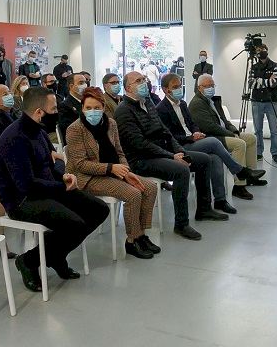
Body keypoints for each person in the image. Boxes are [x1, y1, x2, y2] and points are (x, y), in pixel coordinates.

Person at [0, 87, 108, 291]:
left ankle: (54, 255)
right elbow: (26, 185)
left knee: (99, 209)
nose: (57, 112)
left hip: (46, 190)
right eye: (54, 108)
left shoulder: (38, 131)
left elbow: (52, 163)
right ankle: (29, 261)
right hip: (21, 200)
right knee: (75, 224)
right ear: (39, 112)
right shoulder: (15, 138)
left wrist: (63, 176)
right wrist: (61, 184)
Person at [115, 71, 229, 241]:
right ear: (127, 88)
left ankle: (204, 209)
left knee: (204, 160)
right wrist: (171, 156)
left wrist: (179, 151)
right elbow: (140, 144)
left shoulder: (148, 103)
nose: (144, 83)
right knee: (181, 170)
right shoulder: (124, 110)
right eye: (138, 81)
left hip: (162, 153)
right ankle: (181, 223)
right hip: (140, 160)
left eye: (144, 79)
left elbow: (165, 132)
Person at [66, 87, 159, 259]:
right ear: (82, 108)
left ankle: (141, 235)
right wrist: (111, 168)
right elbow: (80, 164)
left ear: (103, 107)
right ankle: (131, 241)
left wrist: (125, 172)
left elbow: (119, 152)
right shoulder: (75, 129)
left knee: (150, 188)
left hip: (114, 171)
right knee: (133, 194)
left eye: (97, 107)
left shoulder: (111, 124)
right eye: (88, 108)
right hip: (88, 177)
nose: (92, 111)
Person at [156, 73, 258, 206]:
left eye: (180, 86)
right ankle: (239, 171)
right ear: (165, 89)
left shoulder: (183, 104)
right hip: (180, 147)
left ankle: (220, 200)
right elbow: (169, 136)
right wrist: (190, 137)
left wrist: (196, 132)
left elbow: (192, 123)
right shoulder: (161, 109)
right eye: (175, 87)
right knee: (214, 142)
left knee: (215, 157)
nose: (179, 89)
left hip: (194, 140)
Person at [189, 74, 268, 200]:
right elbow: (209, 127)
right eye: (207, 86)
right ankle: (239, 186)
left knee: (251, 138)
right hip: (213, 137)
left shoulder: (213, 101)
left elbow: (224, 120)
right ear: (199, 88)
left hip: (223, 133)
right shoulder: (197, 104)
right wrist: (231, 135)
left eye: (212, 85)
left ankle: (250, 176)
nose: (210, 88)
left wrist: (234, 131)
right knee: (239, 144)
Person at [249, 45, 277, 163]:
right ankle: (258, 153)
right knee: (258, 130)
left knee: (274, 130)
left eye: (262, 50)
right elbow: (251, 84)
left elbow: (274, 82)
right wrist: (267, 80)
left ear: (267, 51)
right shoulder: (253, 67)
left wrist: (259, 80)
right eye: (258, 50)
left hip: (271, 101)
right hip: (256, 101)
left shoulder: (275, 65)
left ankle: (275, 153)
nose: (261, 52)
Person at [57, 71, 89, 144]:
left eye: (85, 82)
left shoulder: (87, 101)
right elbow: (68, 129)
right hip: (78, 142)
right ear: (71, 86)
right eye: (81, 83)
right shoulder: (64, 106)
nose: (85, 85)